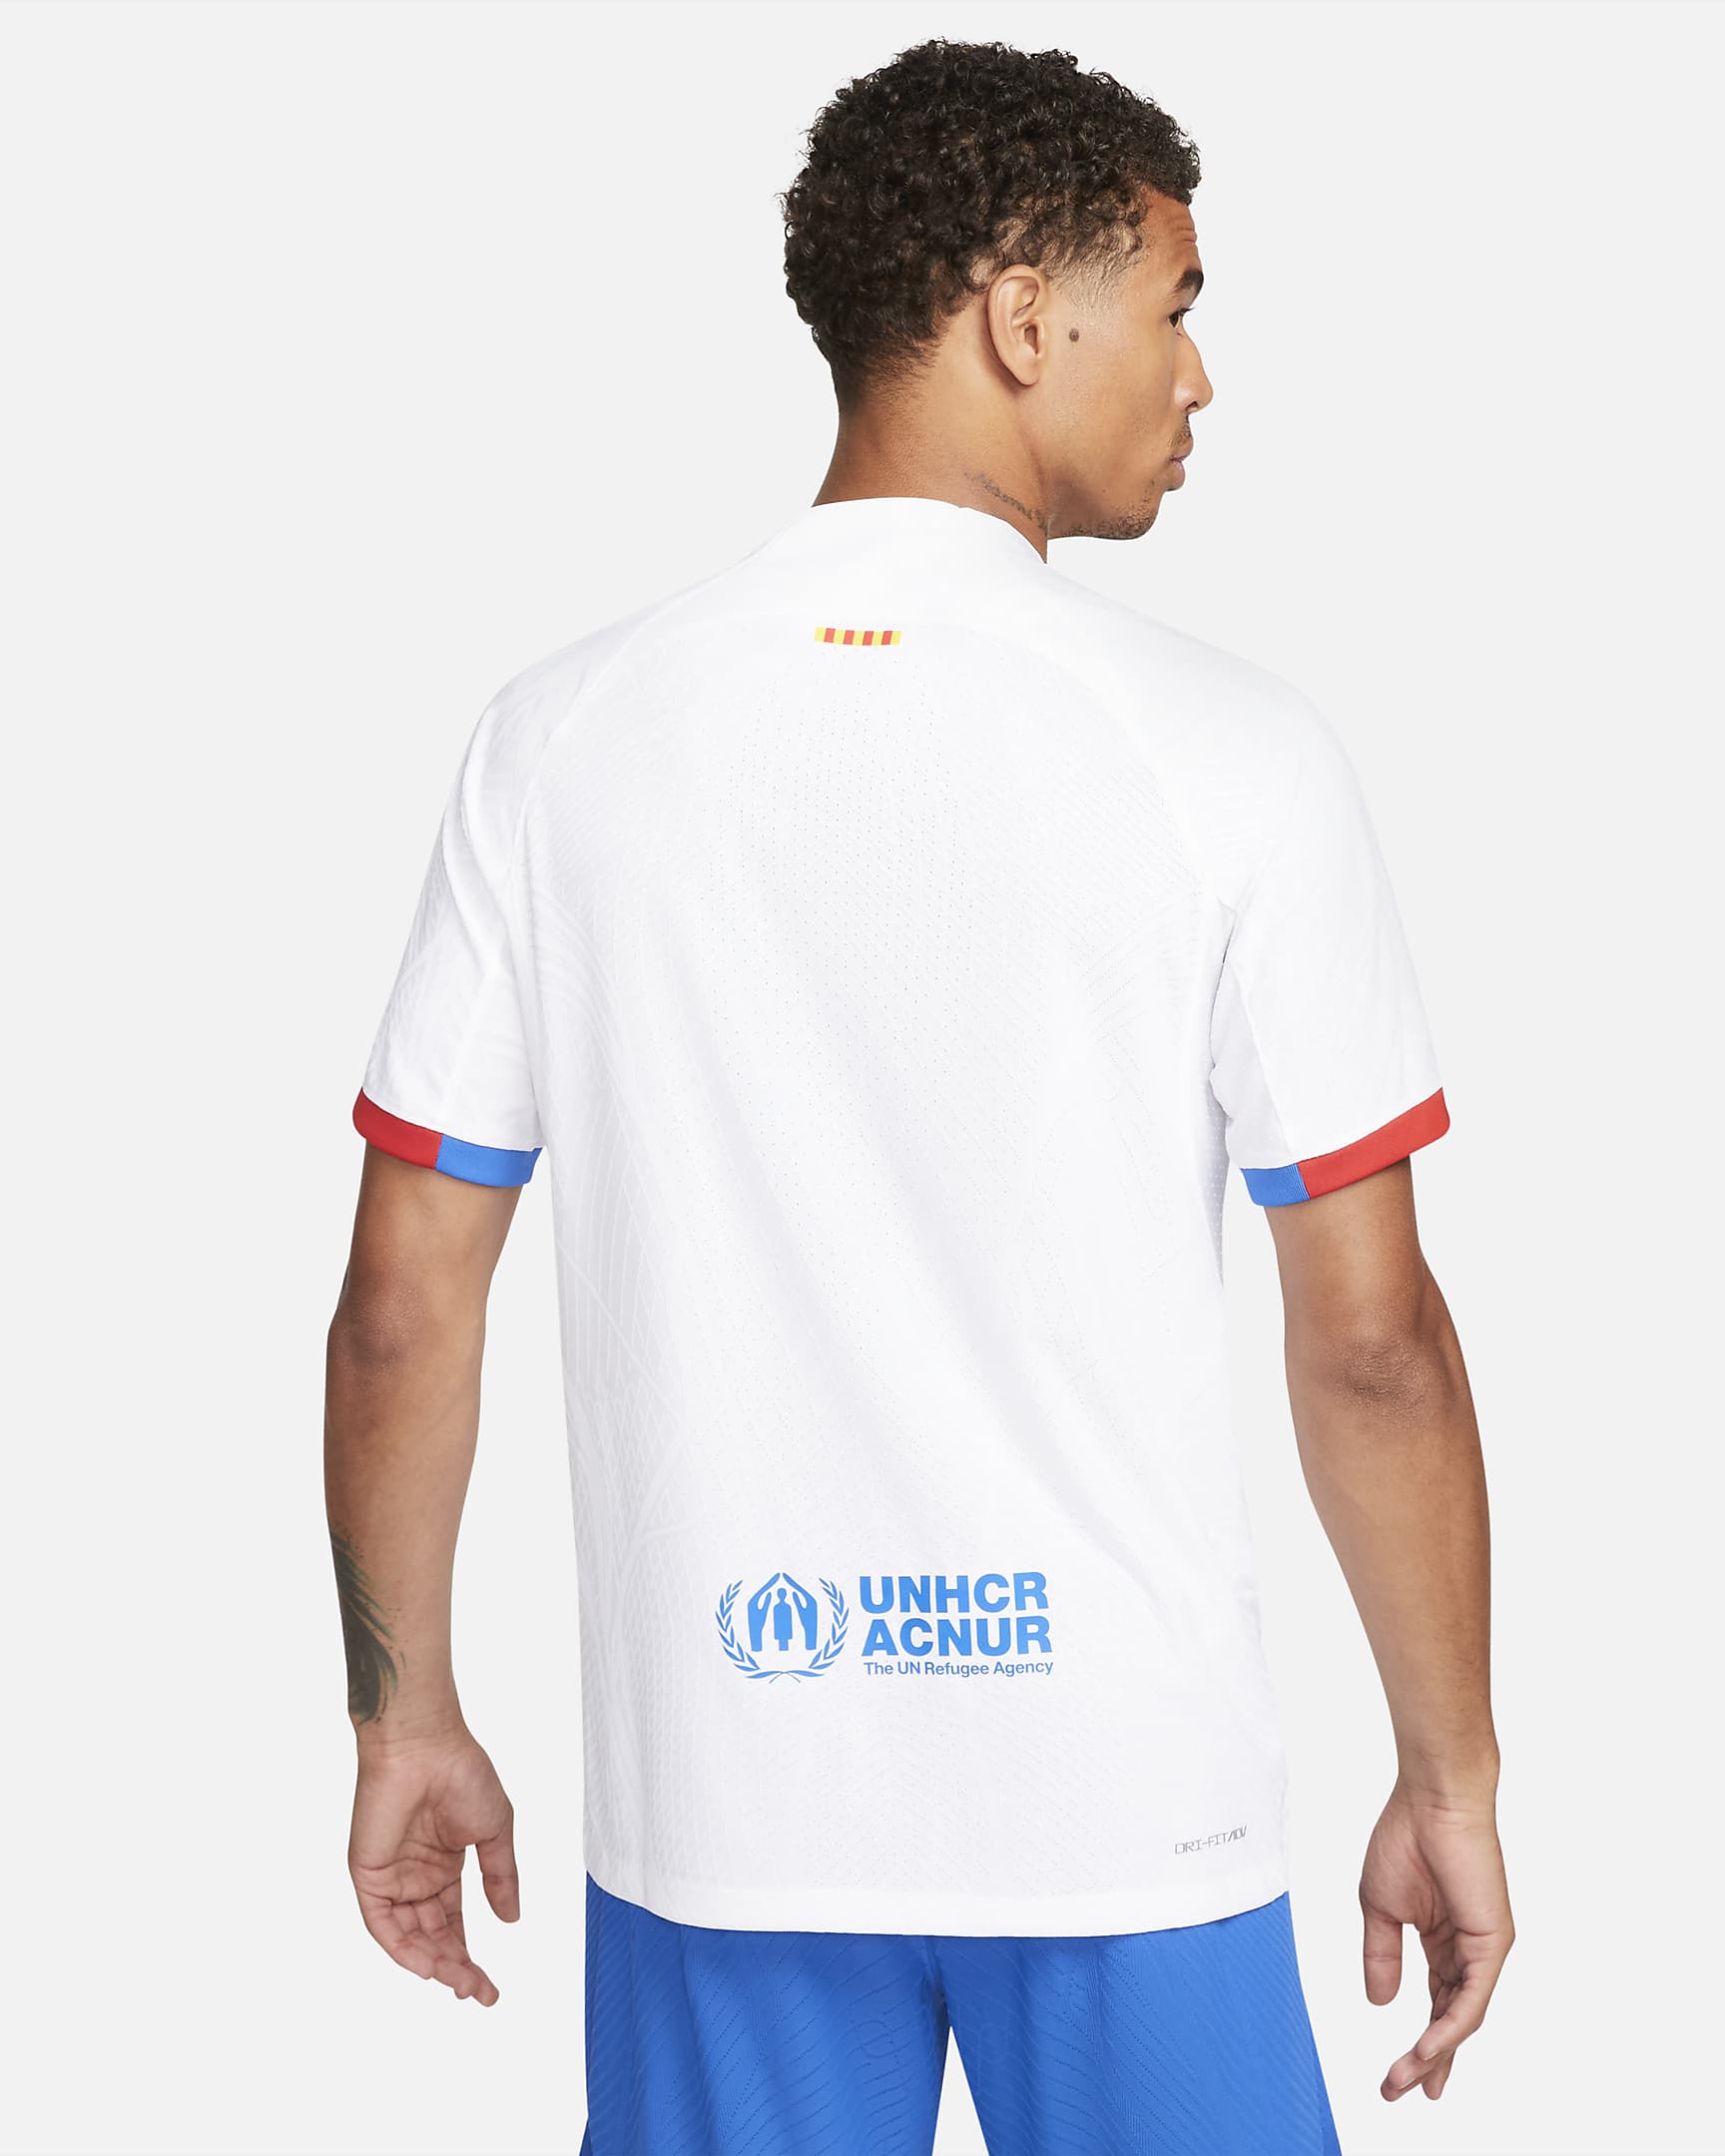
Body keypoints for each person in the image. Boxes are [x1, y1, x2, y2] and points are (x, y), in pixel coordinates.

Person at [324, 36, 1512, 2156]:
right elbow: (1373, 1343)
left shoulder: (563, 737)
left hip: (725, 1801)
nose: (1202, 376)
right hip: (1126, 1807)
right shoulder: (1227, 753)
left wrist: (399, 1717)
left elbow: (406, 1302)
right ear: (1024, 317)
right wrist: (1452, 1772)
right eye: (1177, 306)